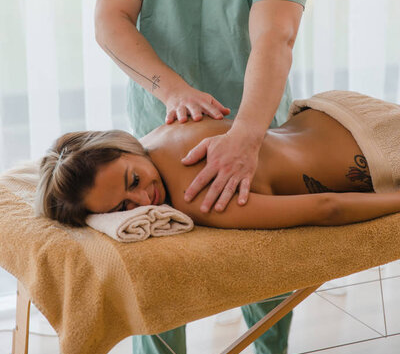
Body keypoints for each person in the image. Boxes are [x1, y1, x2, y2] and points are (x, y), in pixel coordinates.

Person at [95, 0, 312, 354]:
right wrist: (172, 90)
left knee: (267, 273)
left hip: (257, 128)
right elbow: (111, 19)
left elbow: (275, 38)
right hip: (157, 124)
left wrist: (245, 135)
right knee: (159, 273)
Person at [37, 90, 400, 231]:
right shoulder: (164, 130)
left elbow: (327, 208)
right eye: (122, 207)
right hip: (329, 108)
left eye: (134, 181)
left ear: (125, 147)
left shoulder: (195, 194)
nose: (144, 200)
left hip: (376, 153)